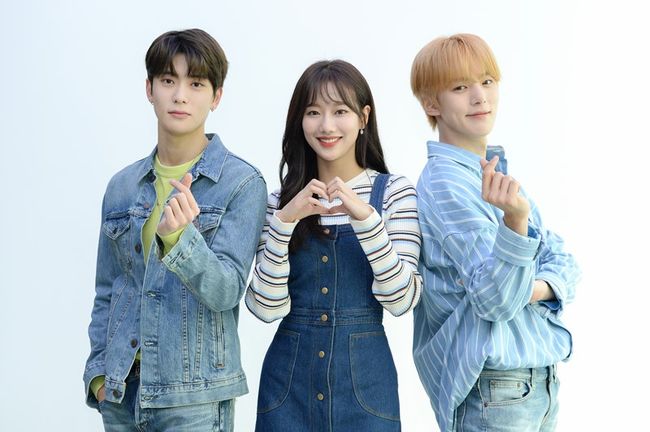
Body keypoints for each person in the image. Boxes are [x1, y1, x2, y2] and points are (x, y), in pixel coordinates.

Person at [83, 28, 267, 431]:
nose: (180, 95)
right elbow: (108, 291)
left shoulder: (241, 183)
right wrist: (98, 375)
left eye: (195, 84)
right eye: (168, 80)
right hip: (120, 394)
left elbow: (227, 291)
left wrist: (180, 239)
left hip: (193, 402)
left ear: (216, 96)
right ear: (149, 89)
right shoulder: (122, 186)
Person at [410, 33, 581, 432]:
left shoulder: (489, 171)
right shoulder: (446, 184)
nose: (480, 97)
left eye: (487, 81)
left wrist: (531, 288)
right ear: (432, 104)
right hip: (495, 391)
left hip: (536, 383)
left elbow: (565, 261)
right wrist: (516, 224)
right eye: (460, 87)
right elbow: (498, 301)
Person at [245, 59, 422, 430]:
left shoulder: (394, 193)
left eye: (340, 111)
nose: (326, 126)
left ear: (363, 117)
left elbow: (402, 301)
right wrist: (285, 223)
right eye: (313, 112)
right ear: (300, 121)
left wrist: (367, 220)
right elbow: (265, 308)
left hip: (366, 390)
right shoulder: (279, 203)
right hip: (287, 388)